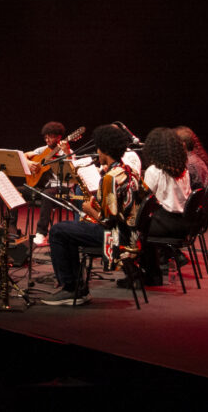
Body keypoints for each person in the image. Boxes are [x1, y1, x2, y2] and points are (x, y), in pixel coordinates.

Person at [42, 124, 144, 306]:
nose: (97, 152)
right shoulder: (130, 172)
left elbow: (107, 221)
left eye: (98, 148)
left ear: (104, 150)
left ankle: (71, 288)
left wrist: (90, 210)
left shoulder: (109, 178)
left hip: (115, 237)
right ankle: (76, 287)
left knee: (58, 231)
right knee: (69, 231)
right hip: (131, 234)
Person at [132, 127, 193, 287]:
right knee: (145, 223)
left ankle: (146, 274)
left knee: (132, 226)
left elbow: (144, 198)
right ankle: (157, 267)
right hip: (183, 223)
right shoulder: (183, 170)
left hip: (165, 223)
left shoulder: (155, 171)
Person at [25, 121, 74, 246]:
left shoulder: (67, 151)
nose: (47, 139)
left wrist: (67, 152)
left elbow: (74, 173)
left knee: (47, 194)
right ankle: (11, 229)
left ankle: (41, 233)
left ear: (59, 137)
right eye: (45, 137)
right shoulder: (42, 150)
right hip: (42, 187)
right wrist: (29, 163)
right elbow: (23, 156)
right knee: (15, 190)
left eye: (50, 136)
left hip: (62, 188)